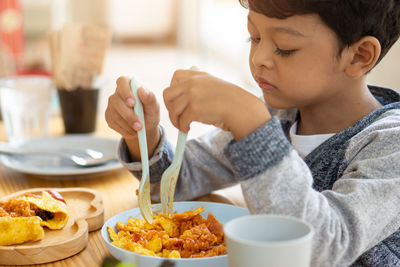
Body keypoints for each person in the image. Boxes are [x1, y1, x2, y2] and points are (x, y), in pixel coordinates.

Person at [105, 0, 400, 266]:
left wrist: (249, 122)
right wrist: (142, 135)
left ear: (359, 56)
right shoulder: (281, 116)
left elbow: (318, 248)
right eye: (254, 37)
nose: (259, 58)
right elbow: (176, 182)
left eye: (285, 47)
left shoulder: (390, 145)